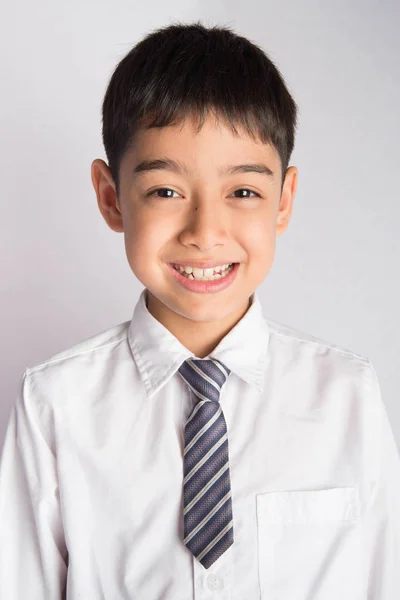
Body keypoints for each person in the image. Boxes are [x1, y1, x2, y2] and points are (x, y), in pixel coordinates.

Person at [0, 20, 399, 600]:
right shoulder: (54, 406)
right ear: (112, 197)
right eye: (165, 191)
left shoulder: (345, 395)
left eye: (243, 192)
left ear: (283, 202)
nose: (205, 232)